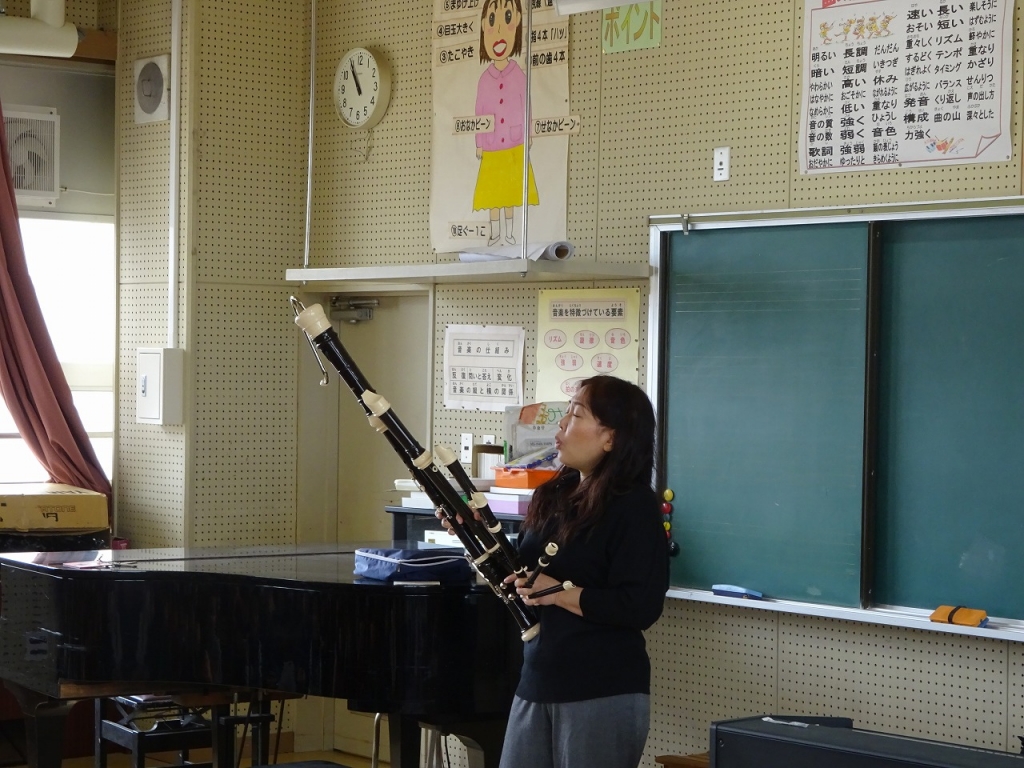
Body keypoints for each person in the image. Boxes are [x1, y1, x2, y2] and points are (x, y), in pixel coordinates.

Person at [443, 375, 668, 767]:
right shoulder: (554, 495)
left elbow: (640, 606)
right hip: (538, 678)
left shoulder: (636, 507)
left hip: (601, 687)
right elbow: (520, 577)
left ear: (611, 438)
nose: (561, 424)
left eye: (576, 415)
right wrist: (472, 533)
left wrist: (560, 592)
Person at [472, 0, 539, 246]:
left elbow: (525, 105)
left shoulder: (519, 75)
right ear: (483, 25)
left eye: (507, 18)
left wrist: (528, 134)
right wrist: (479, 143)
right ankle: (495, 233)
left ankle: (510, 233)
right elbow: (479, 113)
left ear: (518, 21)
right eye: (492, 21)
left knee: (509, 194)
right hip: (491, 147)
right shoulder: (483, 80)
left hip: (514, 144)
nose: (499, 29)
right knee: (493, 195)